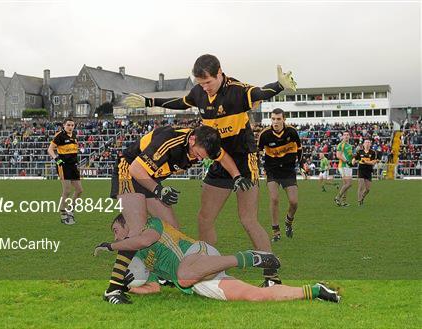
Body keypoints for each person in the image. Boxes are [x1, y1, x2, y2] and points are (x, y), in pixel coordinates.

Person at [124, 54, 297, 286]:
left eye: (208, 82)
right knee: (205, 218)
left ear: (220, 73)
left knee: (248, 219)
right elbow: (180, 102)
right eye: (200, 83)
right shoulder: (199, 93)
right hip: (217, 160)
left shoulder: (236, 90)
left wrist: (278, 86)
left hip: (244, 160)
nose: (204, 88)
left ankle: (271, 277)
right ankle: (212, 271)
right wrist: (149, 102)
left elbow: (258, 93)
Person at [104, 125, 243, 299]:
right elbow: (135, 169)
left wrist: (237, 176)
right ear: (192, 140)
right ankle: (113, 288)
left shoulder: (206, 142)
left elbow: (222, 157)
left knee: (172, 229)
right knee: (137, 230)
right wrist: (159, 191)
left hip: (149, 177)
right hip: (129, 170)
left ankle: (159, 277)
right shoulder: (170, 140)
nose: (201, 158)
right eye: (199, 154)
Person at [95, 214, 340, 304]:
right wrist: (128, 287)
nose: (115, 236)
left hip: (197, 256)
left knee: (183, 275)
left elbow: (144, 240)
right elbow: (154, 288)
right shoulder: (140, 258)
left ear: (128, 223)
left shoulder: (150, 225)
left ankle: (246, 257)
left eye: (116, 230)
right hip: (199, 280)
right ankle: (317, 291)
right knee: (257, 296)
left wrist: (111, 246)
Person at [257, 108, 302, 242]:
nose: (275, 122)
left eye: (278, 119)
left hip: (288, 171)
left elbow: (299, 149)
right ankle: (276, 231)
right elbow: (257, 151)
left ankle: (288, 222)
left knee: (294, 202)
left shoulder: (292, 132)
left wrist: (301, 164)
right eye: (273, 119)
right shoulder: (264, 134)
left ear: (284, 119)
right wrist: (259, 165)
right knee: (274, 199)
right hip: (272, 170)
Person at [47, 118, 83, 225]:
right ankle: (63, 214)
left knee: (79, 190)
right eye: (68, 125)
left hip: (73, 166)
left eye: (72, 125)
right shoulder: (59, 135)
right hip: (64, 166)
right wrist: (57, 159)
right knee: (67, 191)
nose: (70, 127)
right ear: (64, 125)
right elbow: (50, 149)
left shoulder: (74, 136)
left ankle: (70, 210)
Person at [352, 139, 378, 205]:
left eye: (369, 142)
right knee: (360, 186)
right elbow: (355, 158)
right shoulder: (359, 152)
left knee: (368, 189)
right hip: (361, 169)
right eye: (366, 142)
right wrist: (353, 161)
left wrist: (366, 162)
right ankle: (359, 201)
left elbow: (373, 162)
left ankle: (362, 197)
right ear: (363, 144)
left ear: (370, 144)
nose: (367, 143)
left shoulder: (373, 152)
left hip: (368, 170)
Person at [334, 132, 353, 207]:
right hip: (343, 166)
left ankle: (343, 201)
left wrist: (353, 160)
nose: (346, 136)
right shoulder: (341, 145)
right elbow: (338, 155)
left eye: (348, 135)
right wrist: (347, 161)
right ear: (342, 136)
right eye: (345, 135)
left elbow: (350, 156)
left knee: (346, 184)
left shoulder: (350, 146)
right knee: (348, 184)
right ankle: (337, 197)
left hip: (348, 166)